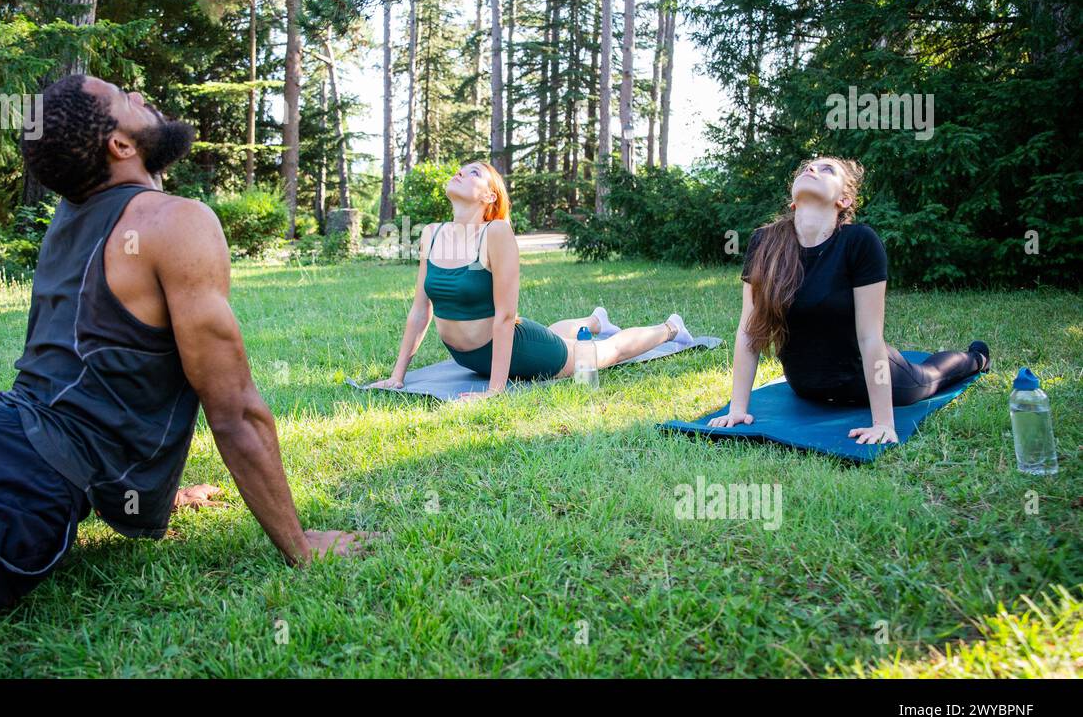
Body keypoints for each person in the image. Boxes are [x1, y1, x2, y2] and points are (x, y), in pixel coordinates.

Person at [0, 74, 367, 678]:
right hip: (9, 477)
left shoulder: (74, 212)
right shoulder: (177, 222)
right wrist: (300, 542)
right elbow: (235, 409)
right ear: (119, 145)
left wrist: (145, 489)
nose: (143, 95)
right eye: (126, 99)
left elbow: (102, 368)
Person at [708, 156, 989, 445]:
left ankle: (976, 357)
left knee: (931, 376)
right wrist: (738, 410)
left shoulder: (860, 242)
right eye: (806, 168)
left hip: (868, 382)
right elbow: (749, 330)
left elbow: (870, 336)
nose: (811, 169)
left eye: (826, 169)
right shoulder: (764, 243)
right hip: (805, 386)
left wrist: (883, 423)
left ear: (843, 199)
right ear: (793, 201)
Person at [370, 161, 694, 401]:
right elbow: (419, 311)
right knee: (558, 336)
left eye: (474, 173)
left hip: (515, 348)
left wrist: (495, 390)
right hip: (468, 358)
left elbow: (506, 317)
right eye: (462, 168)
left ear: (489, 198)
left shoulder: (495, 233)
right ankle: (596, 320)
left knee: (604, 353)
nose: (460, 172)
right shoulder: (432, 232)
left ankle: (672, 328)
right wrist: (397, 376)